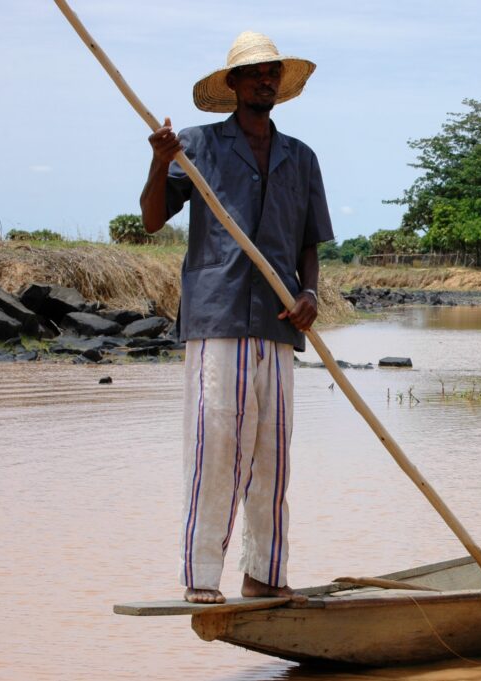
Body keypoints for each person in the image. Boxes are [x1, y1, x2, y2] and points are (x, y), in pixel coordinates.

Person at [140, 31, 333, 604]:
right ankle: (201, 579)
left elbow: (308, 244)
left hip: (278, 324)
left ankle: (265, 577)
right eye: (253, 74)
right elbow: (152, 218)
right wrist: (159, 161)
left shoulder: (300, 156)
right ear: (233, 85)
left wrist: (311, 296)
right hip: (217, 319)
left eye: (272, 72)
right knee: (214, 446)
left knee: (273, 458)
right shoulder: (194, 146)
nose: (264, 80)